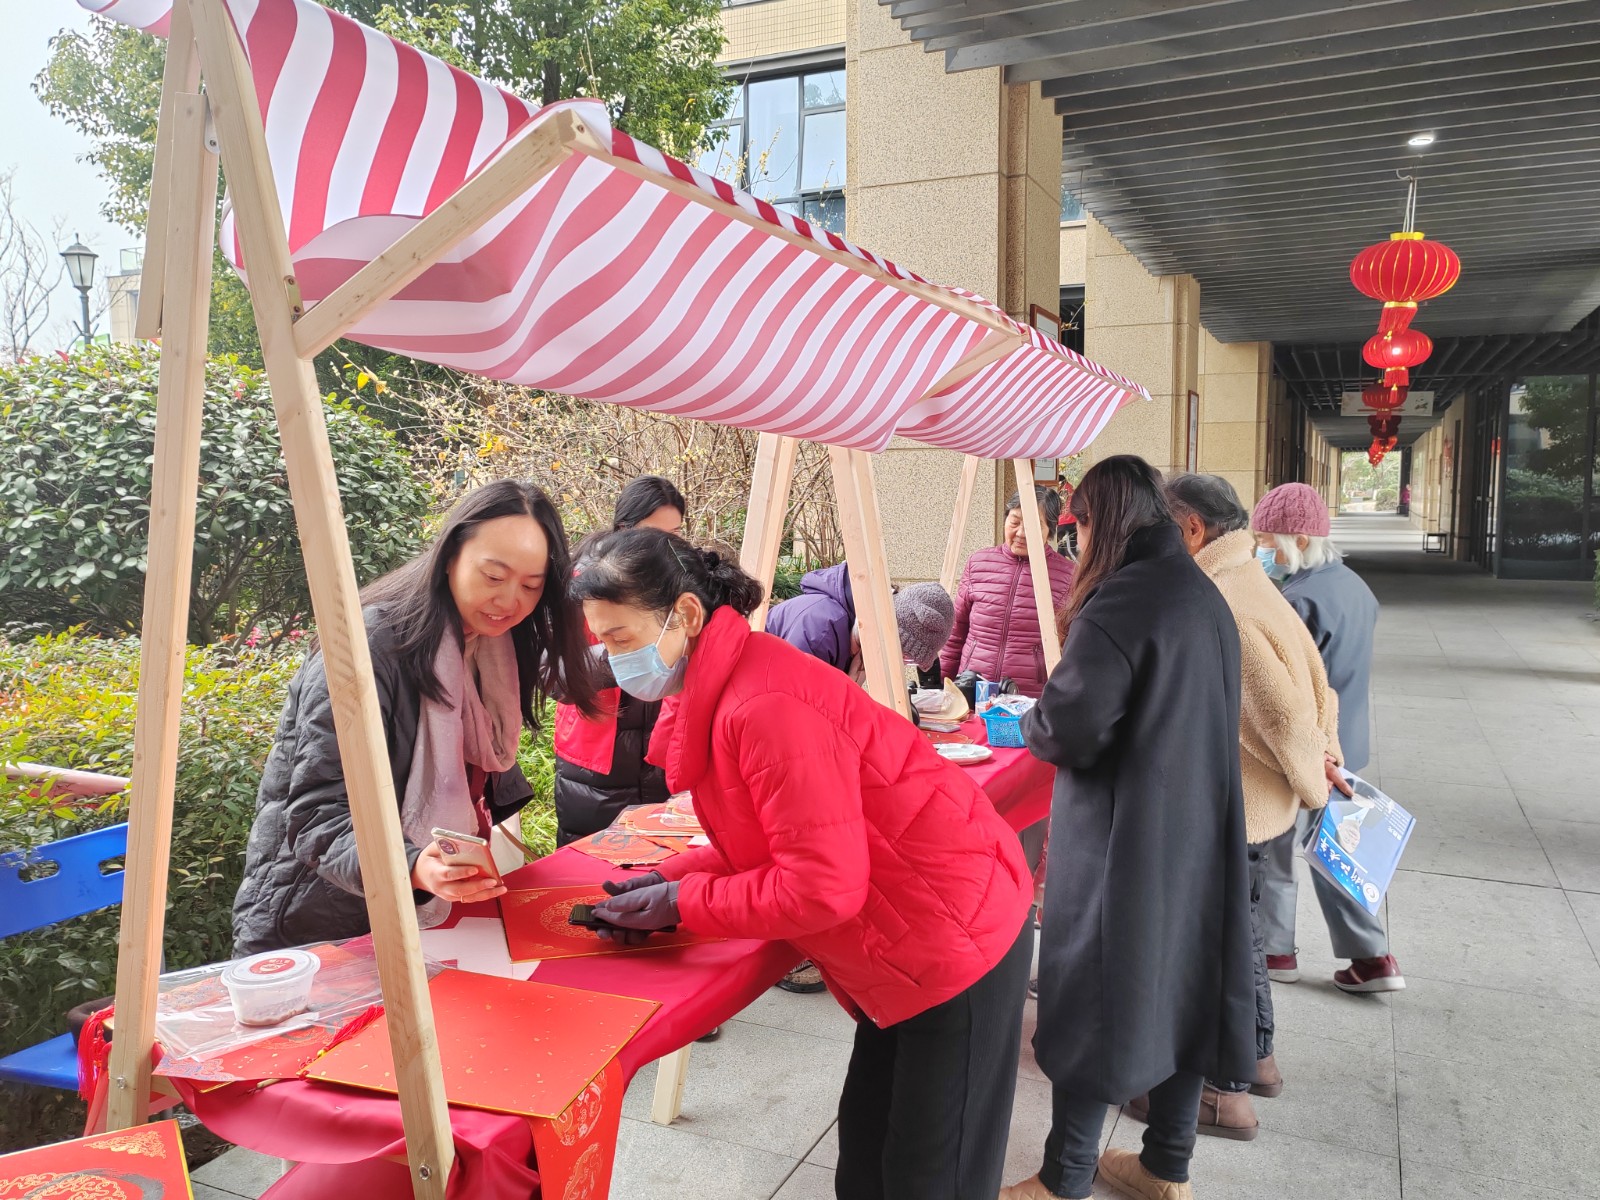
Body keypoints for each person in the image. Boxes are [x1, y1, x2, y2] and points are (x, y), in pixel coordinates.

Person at [571, 530, 1033, 1200]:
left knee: (930, 1178)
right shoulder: (729, 683)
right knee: (868, 1165)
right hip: (910, 936)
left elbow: (820, 886)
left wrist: (683, 903)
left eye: (620, 639)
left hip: (954, 939)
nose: (615, 661)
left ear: (686, 614)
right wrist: (671, 878)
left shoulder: (763, 705)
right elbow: (773, 838)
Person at [999, 455, 1255, 1200]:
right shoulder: (1201, 593)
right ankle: (1166, 1166)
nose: (1074, 543)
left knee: (1096, 998)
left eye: (1076, 528)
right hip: (1197, 835)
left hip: (1124, 840)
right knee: (1182, 992)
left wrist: (1032, 718)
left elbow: (1068, 730)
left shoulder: (1122, 602)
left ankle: (1064, 1178)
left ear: (1100, 523)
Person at [233, 481, 602, 954]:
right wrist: (412, 866)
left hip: (425, 913)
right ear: (449, 556)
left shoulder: (494, 646)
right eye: (493, 576)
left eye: (531, 586)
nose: (511, 601)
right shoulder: (370, 646)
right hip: (320, 919)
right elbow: (314, 814)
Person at [1149, 473, 1346, 1140]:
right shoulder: (1252, 581)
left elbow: (1284, 714)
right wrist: (1325, 756)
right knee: (1246, 940)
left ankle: (1222, 1094)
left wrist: (1313, 778)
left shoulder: (1222, 599)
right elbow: (1320, 687)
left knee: (1224, 950)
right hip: (1259, 806)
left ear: (1192, 529)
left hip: (1240, 809)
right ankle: (1258, 1062)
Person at [764, 571, 956, 996]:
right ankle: (790, 951)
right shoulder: (818, 625)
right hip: (776, 751)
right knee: (801, 847)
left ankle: (814, 942)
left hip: (799, 750)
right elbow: (792, 717)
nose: (899, 663)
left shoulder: (855, 633)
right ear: (885, 631)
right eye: (902, 652)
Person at [1251, 482, 1405, 994]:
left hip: (1304, 748)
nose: (1262, 551)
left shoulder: (1297, 602)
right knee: (1338, 853)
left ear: (1298, 540)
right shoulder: (1354, 587)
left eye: (1267, 541)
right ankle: (1373, 958)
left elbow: (1287, 691)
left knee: (1273, 849)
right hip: (1346, 744)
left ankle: (1274, 950)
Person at [552, 475, 686, 846]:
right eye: (653, 534)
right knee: (589, 860)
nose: (666, 548)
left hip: (664, 751)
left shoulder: (682, 585)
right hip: (598, 757)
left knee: (663, 859)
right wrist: (632, 655)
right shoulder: (583, 584)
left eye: (675, 535)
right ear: (624, 529)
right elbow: (555, 674)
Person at [940, 487, 1076, 698]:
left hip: (1030, 699)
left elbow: (1073, 646)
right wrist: (942, 686)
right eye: (1014, 522)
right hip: (972, 690)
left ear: (1049, 530)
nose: (1021, 533)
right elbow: (955, 633)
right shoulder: (978, 563)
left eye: (1032, 525)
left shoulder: (1068, 575)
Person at [767, 566, 956, 688]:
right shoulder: (820, 630)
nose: (899, 662)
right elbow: (794, 710)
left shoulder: (857, 634)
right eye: (905, 655)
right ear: (891, 632)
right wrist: (848, 689)